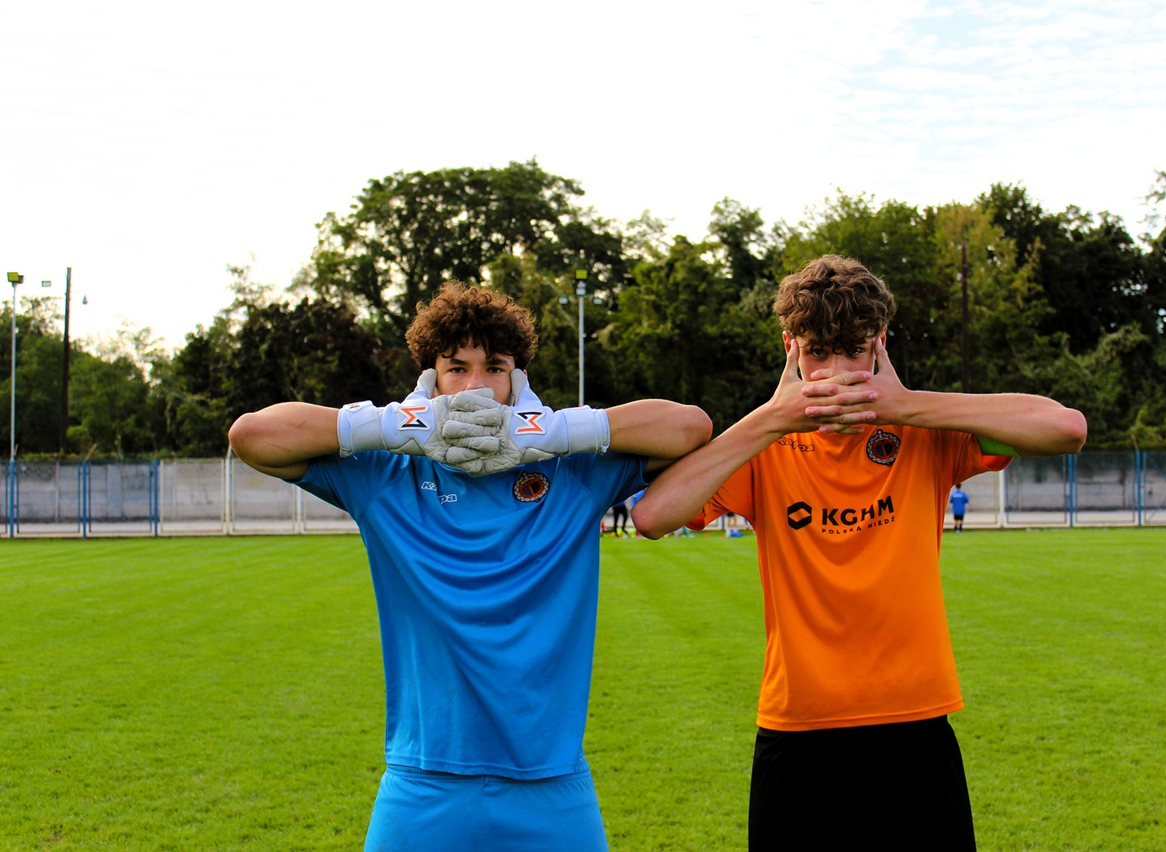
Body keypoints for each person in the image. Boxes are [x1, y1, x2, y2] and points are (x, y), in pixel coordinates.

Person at [228, 282, 711, 851]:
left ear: (517, 382)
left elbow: (691, 427)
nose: (476, 387)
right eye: (456, 368)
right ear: (429, 380)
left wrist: (554, 431)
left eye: (495, 369)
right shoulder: (386, 472)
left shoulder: (572, 471)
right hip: (422, 783)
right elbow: (251, 436)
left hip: (551, 785)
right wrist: (390, 425)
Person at [632, 255, 1087, 850]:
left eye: (854, 350)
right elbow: (652, 517)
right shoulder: (765, 447)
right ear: (791, 349)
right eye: (819, 352)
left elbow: (1066, 429)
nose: (838, 373)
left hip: (914, 723)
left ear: (880, 345)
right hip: (798, 728)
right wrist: (771, 419)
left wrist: (903, 404)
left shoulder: (921, 434)